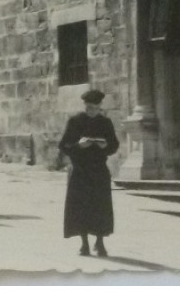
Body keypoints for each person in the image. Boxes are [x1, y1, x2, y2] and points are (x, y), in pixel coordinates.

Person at [58, 88, 119, 257]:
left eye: (93, 107)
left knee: (101, 206)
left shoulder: (105, 123)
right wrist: (78, 145)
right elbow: (63, 145)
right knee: (81, 207)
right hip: (80, 170)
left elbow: (114, 145)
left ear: (99, 107)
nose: (89, 110)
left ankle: (100, 242)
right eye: (87, 107)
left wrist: (105, 145)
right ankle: (84, 244)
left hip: (99, 170)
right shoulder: (75, 122)